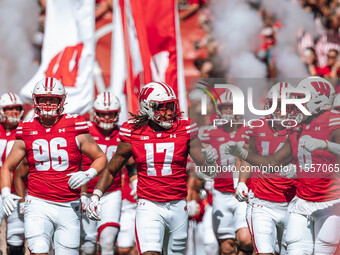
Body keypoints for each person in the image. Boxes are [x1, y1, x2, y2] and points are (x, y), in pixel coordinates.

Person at [86, 81, 217, 255]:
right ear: (147, 108)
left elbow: (205, 166)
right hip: (149, 205)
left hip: (178, 203)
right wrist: (96, 195)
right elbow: (112, 169)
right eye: (162, 107)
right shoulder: (133, 131)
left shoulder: (184, 128)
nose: (169, 112)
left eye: (170, 106)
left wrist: (210, 160)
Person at [225, 76, 340, 254]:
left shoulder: (334, 121)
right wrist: (243, 155)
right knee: (294, 249)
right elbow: (272, 163)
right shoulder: (298, 128)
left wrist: (325, 146)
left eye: (301, 99)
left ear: (318, 100)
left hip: (329, 203)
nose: (295, 105)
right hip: (301, 203)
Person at [1, 77, 107, 255]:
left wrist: (88, 174)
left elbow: (100, 157)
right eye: (43, 99)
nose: (48, 103)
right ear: (36, 100)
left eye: (53, 99)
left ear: (62, 101)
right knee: (39, 250)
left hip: (69, 204)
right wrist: (5, 192)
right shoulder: (26, 128)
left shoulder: (75, 125)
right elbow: (8, 167)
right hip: (37, 202)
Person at [236, 82, 297, 255]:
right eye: (277, 105)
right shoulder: (257, 126)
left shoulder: (299, 130)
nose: (280, 110)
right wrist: (241, 182)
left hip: (292, 204)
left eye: (286, 106)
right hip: (262, 202)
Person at [80, 91, 136, 255]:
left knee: (107, 240)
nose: (106, 118)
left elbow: (131, 165)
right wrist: (81, 193)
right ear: (94, 113)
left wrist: (135, 183)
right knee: (88, 245)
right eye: (103, 114)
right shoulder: (85, 131)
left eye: (111, 114)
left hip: (111, 192)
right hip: (87, 192)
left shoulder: (122, 133)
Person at [199, 90, 253, 255]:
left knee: (245, 240)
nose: (228, 111)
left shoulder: (249, 131)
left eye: (231, 107)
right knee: (227, 246)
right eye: (225, 108)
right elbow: (201, 162)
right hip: (221, 192)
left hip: (243, 193)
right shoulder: (208, 133)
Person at [0, 92, 26, 255]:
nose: (14, 112)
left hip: (19, 191)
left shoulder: (26, 130)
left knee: (16, 236)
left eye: (17, 108)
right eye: (9, 109)